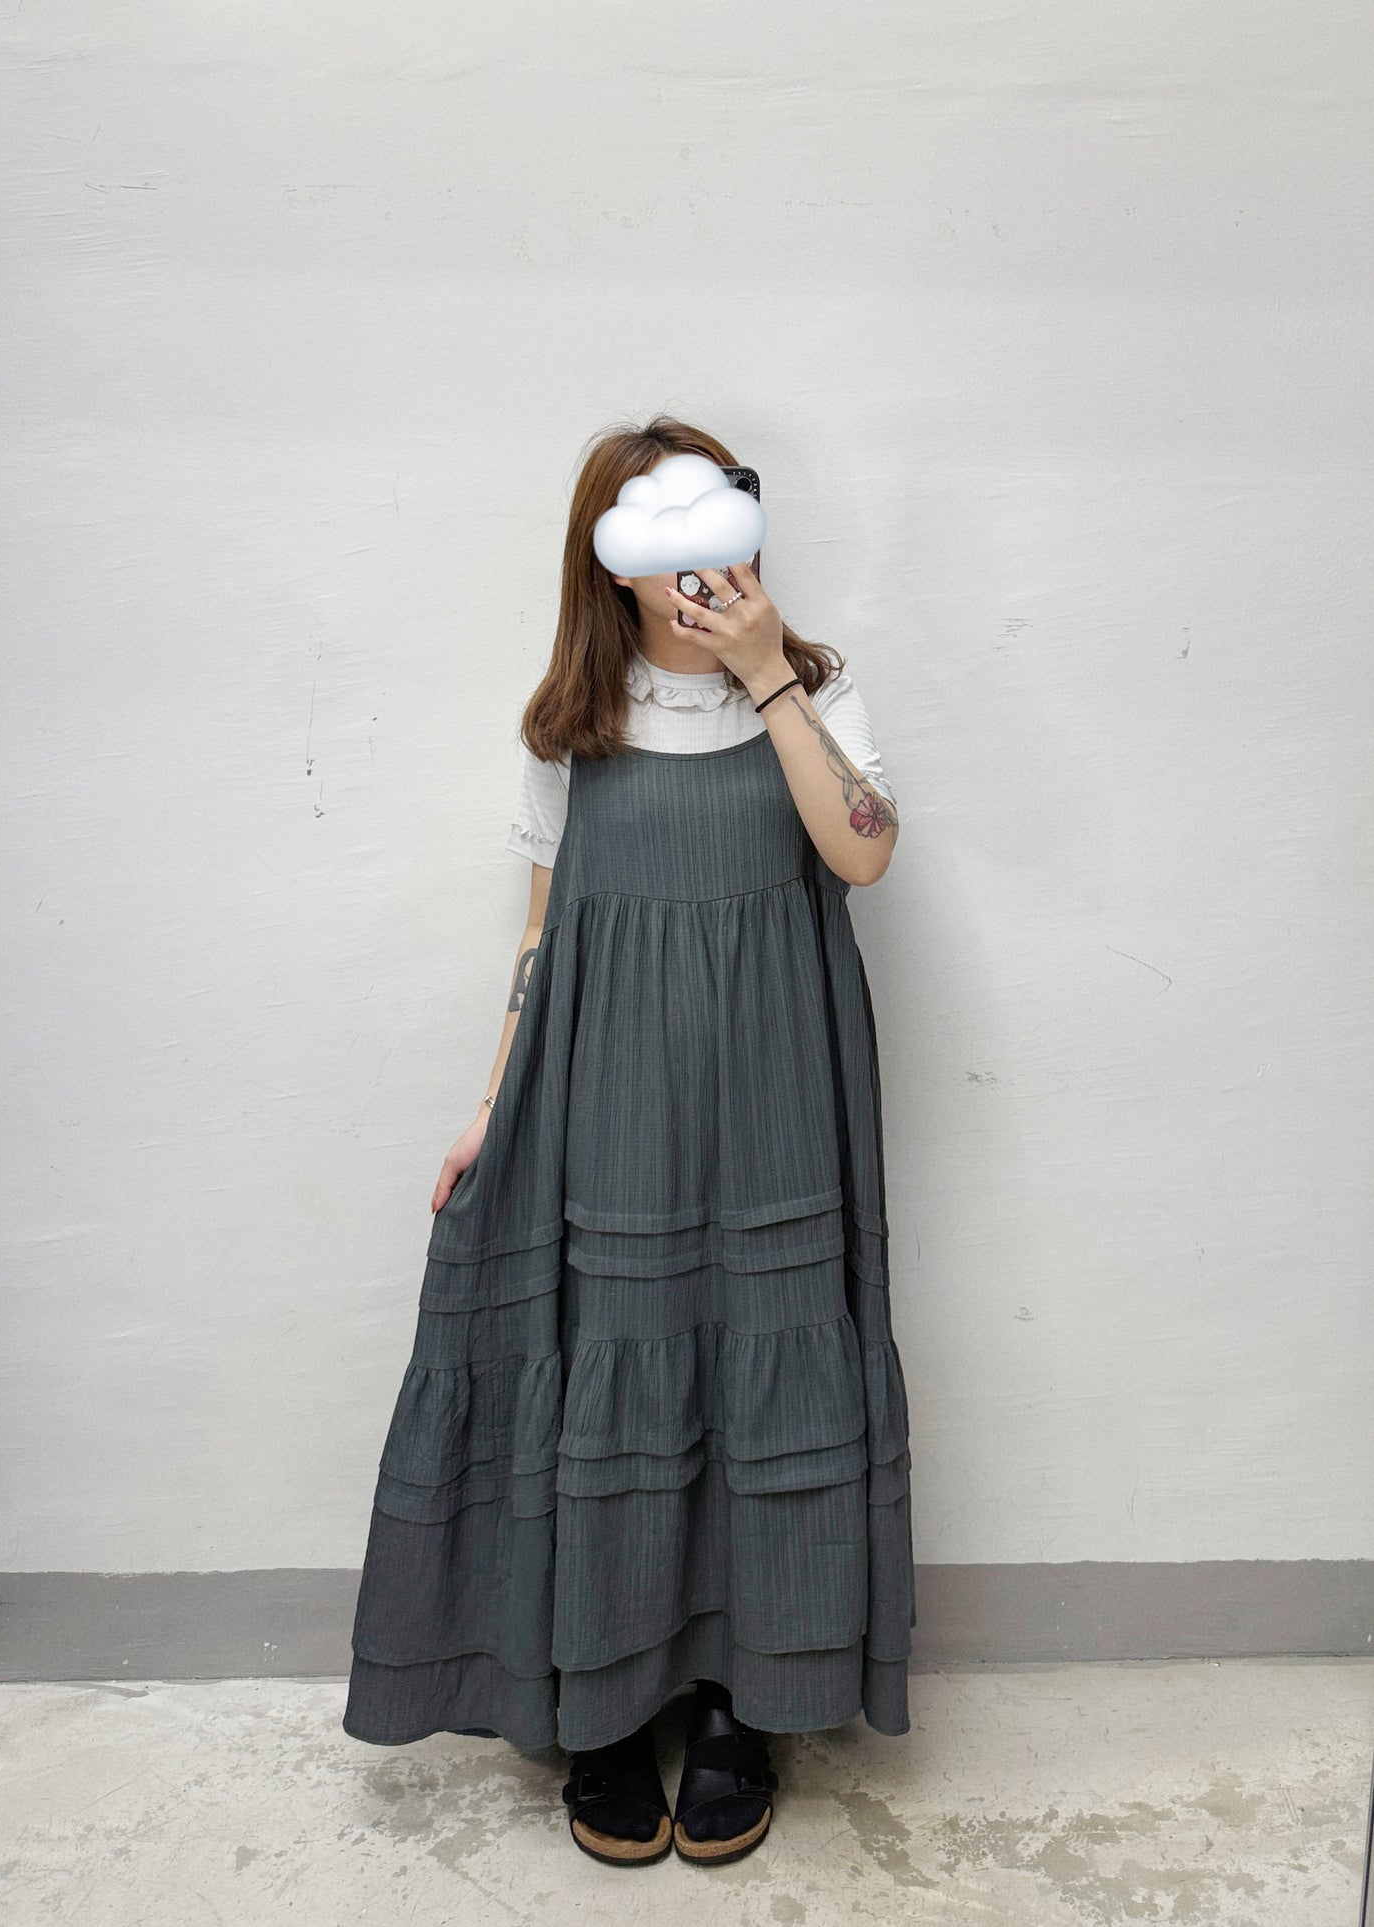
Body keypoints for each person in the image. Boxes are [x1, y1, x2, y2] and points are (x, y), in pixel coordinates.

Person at [343, 415, 916, 1869]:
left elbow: (862, 849)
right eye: (661, 535)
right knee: (617, 1369)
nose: (697, 564)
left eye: (717, 519)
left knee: (761, 1374)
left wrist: (766, 674)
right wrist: (492, 1107)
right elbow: (541, 941)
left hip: (780, 1097)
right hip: (608, 1100)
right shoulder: (567, 728)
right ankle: (603, 1706)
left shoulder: (814, 694)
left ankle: (738, 1703)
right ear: (608, 561)